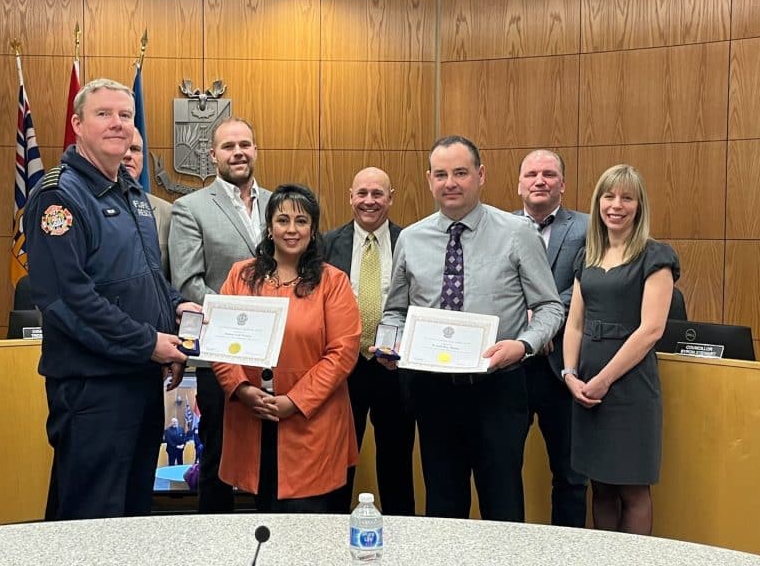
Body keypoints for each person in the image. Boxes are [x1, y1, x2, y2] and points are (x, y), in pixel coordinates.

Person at [24, 78, 200, 520]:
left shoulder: (130, 191)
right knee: (92, 518)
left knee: (133, 513)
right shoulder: (58, 196)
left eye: (126, 115)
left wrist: (175, 307)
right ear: (77, 124)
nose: (118, 124)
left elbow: (145, 274)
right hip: (93, 387)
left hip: (138, 378)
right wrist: (149, 342)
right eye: (104, 114)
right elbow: (68, 299)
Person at [378, 135, 563, 522]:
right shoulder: (410, 239)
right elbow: (395, 311)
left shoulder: (517, 233)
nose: (451, 183)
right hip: (433, 392)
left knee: (502, 505)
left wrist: (524, 346)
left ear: (480, 175)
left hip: (498, 389)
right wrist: (388, 344)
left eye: (461, 173)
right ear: (428, 179)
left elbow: (549, 307)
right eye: (442, 174)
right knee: (443, 508)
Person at [214, 184, 361, 512]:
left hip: (313, 424)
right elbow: (219, 342)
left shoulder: (332, 281)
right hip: (253, 419)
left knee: (309, 527)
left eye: (301, 221)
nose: (291, 229)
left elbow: (342, 352)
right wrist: (241, 389)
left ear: (313, 228)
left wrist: (294, 401)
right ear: (270, 227)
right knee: (265, 523)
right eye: (283, 220)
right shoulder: (241, 275)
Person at [562, 164, 679, 535]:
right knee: (600, 487)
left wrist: (603, 380)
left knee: (632, 488)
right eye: (609, 196)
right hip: (586, 389)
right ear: (598, 203)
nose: (616, 205)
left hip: (629, 388)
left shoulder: (655, 256)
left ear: (639, 206)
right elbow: (575, 323)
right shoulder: (588, 255)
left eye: (626, 197)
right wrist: (570, 375)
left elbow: (651, 330)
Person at [169, 117, 272, 513]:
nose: (238, 153)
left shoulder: (281, 204)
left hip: (277, 357)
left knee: (272, 454)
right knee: (218, 456)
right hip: (222, 356)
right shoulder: (190, 208)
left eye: (245, 144)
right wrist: (246, 320)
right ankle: (215, 544)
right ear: (213, 155)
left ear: (256, 150)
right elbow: (189, 282)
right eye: (228, 147)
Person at [323, 167, 415, 515]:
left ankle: (402, 540)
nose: (369, 201)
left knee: (397, 463)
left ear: (390, 198)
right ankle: (331, 539)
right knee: (339, 463)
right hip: (345, 369)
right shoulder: (327, 244)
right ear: (350, 197)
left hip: (396, 369)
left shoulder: (412, 241)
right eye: (362, 194)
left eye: (378, 194)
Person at [513, 150, 589, 527]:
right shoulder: (499, 227)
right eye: (531, 174)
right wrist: (528, 325)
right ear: (519, 184)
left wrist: (544, 320)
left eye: (548, 174)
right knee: (504, 469)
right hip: (511, 367)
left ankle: (568, 550)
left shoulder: (589, 228)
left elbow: (586, 285)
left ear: (563, 184)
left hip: (564, 367)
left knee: (571, 475)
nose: (539, 180)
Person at [123, 127, 173, 279]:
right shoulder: (88, 205)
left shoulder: (167, 212)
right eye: (123, 148)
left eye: (135, 149)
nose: (128, 155)